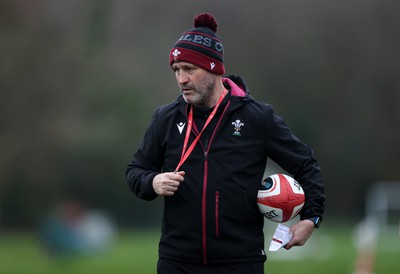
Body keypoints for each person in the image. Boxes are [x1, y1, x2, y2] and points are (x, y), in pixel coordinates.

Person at [126, 12, 325, 274]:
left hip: (241, 263)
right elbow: (135, 171)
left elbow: (306, 164)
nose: (181, 79)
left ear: (213, 69)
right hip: (177, 263)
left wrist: (311, 217)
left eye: (189, 69)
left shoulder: (257, 117)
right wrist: (152, 182)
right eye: (176, 70)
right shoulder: (165, 118)